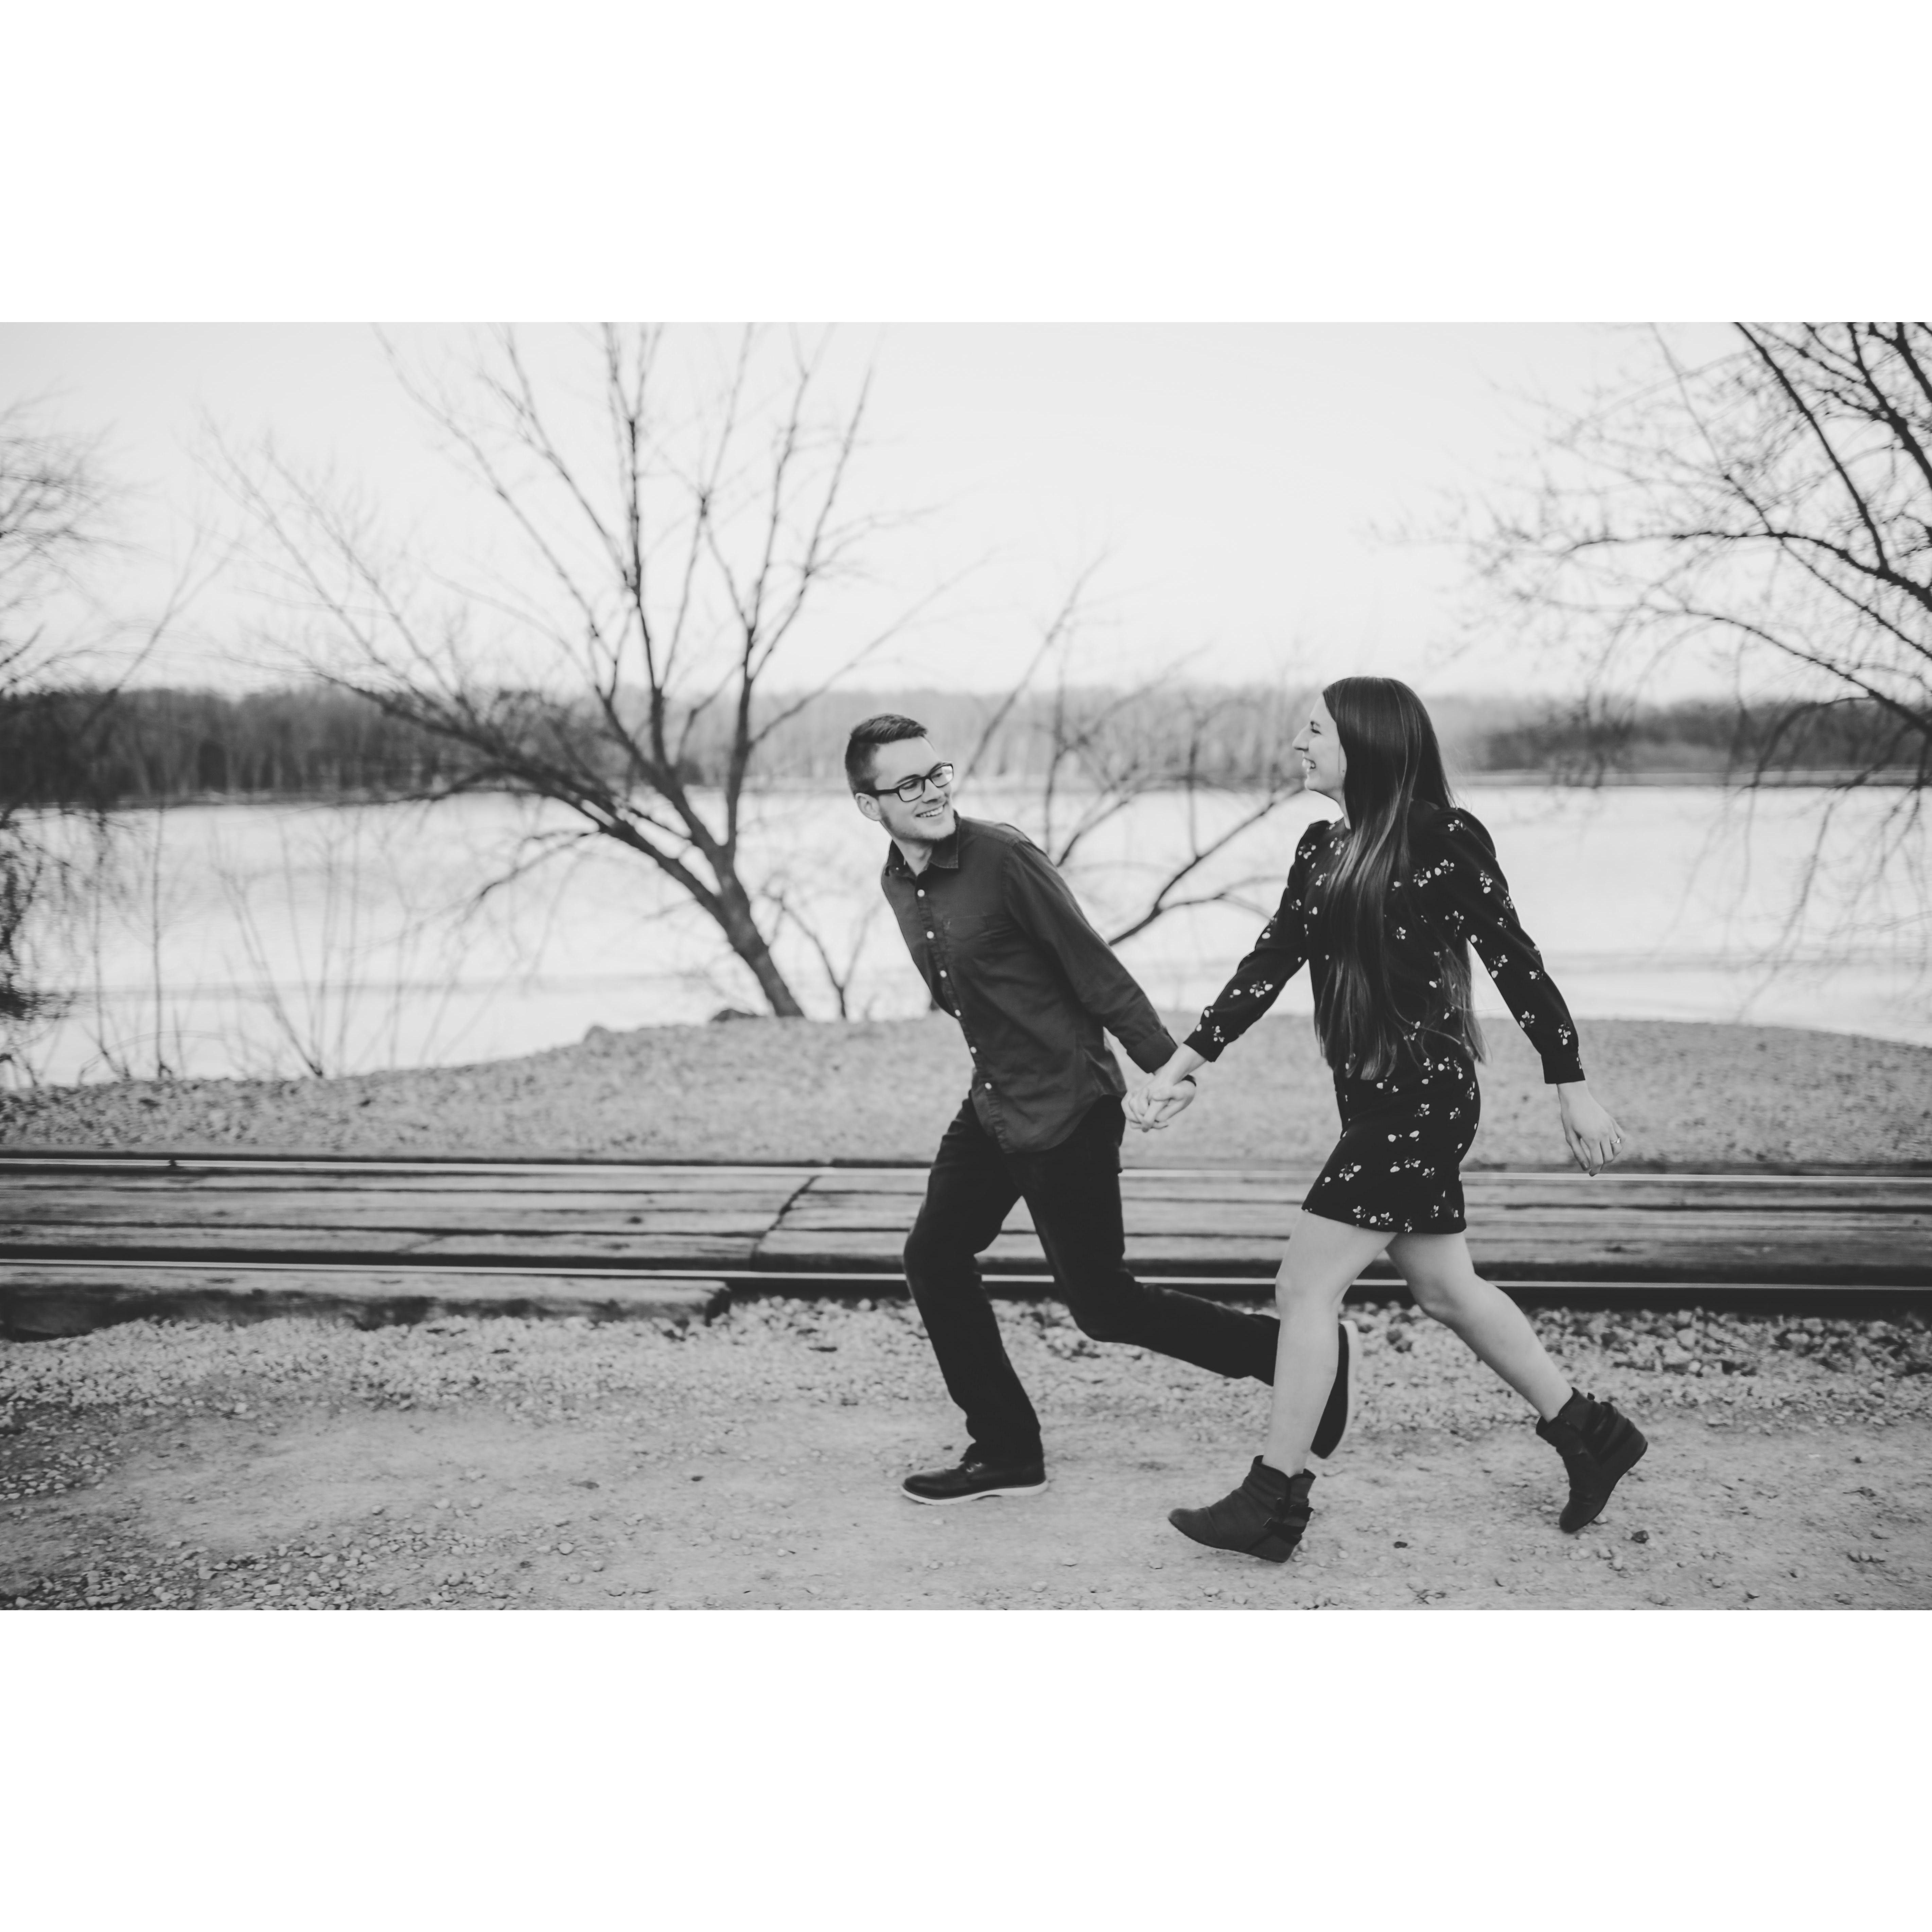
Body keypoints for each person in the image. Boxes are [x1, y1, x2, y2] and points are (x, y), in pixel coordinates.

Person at [1126, 676, 1648, 1562]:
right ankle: (1591, 1434)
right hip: (1372, 1100)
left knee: (1303, 1289)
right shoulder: (1321, 847)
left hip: (1422, 1098)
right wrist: (1182, 1065)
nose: (1297, 744)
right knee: (1445, 1289)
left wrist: (1570, 1080)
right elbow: (1269, 962)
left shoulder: (1441, 838)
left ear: (1364, 742)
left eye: (1314, 729)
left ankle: (1271, 1500)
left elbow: (1515, 961)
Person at [846, 713, 1356, 1504]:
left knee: (1104, 1305)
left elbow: (1092, 965)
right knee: (933, 1258)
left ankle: (1293, 1354)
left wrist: (1163, 1065)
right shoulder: (896, 878)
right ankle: (1006, 1450)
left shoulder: (1003, 859)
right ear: (868, 804)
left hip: (1069, 1106)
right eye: (907, 783)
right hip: (994, 1103)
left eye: (937, 773)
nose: (931, 792)